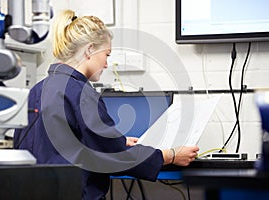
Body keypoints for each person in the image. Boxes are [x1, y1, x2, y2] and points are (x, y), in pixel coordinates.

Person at [14, 9, 199, 200]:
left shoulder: (36, 90)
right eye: (107, 55)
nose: (106, 64)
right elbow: (116, 157)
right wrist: (171, 155)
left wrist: (114, 140)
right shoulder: (81, 93)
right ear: (90, 50)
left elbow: (58, 145)